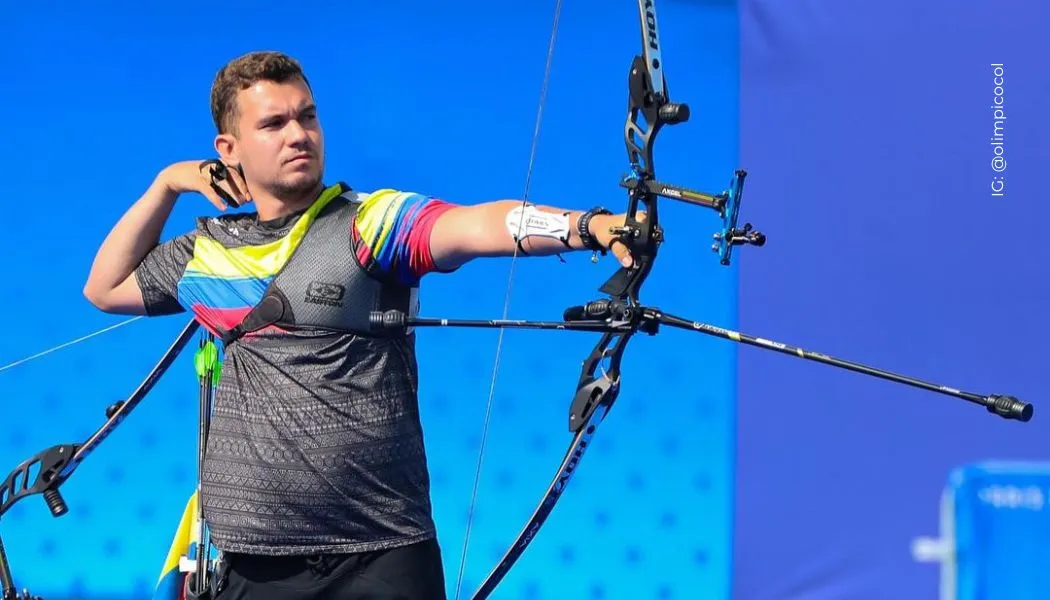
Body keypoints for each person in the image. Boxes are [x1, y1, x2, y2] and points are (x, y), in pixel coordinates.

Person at [82, 51, 639, 600]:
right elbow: (104, 287)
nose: (299, 134)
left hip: (381, 557)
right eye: (273, 124)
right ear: (228, 150)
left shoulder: (370, 222)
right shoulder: (208, 253)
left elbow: (474, 226)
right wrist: (167, 184)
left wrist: (587, 226)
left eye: (308, 116)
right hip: (253, 566)